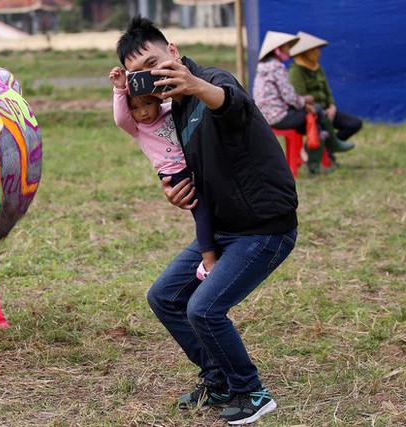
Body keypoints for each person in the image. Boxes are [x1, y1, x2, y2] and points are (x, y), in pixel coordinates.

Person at [116, 16, 298, 425]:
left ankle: (251, 392)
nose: (148, 76)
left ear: (174, 53)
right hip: (222, 228)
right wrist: (173, 189)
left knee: (204, 309)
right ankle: (217, 378)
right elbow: (186, 165)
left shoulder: (212, 81)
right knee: (163, 297)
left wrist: (196, 86)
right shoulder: (173, 112)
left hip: (264, 228)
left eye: (153, 62)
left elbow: (232, 103)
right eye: (136, 75)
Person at [109, 66, 217, 279]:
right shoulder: (137, 128)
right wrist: (120, 90)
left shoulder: (170, 109)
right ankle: (208, 263)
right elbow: (121, 118)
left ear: (158, 99)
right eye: (135, 108)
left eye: (148, 103)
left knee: (214, 203)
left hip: (196, 163)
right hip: (176, 175)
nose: (143, 112)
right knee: (201, 211)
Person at [253, 31, 353, 175]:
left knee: (314, 119)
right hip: (278, 116)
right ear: (277, 50)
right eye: (286, 47)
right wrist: (305, 101)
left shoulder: (263, 67)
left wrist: (303, 104)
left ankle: (317, 160)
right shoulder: (277, 67)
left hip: (266, 115)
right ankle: (326, 151)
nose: (289, 50)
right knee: (317, 112)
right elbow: (289, 97)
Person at [289, 31, 362, 165]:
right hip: (309, 113)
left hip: (326, 111)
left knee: (354, 123)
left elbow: (327, 91)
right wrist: (321, 112)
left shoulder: (318, 68)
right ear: (307, 51)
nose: (319, 52)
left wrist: (332, 106)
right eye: (315, 49)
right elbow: (301, 97)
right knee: (322, 125)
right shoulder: (295, 71)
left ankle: (328, 148)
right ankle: (309, 152)